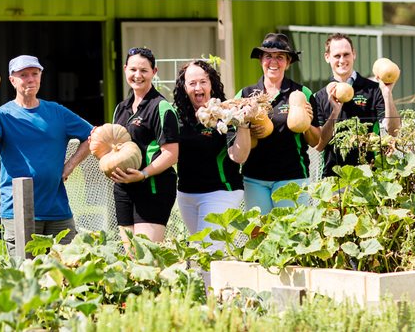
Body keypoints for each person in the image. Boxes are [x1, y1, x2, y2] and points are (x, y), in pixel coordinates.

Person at [0, 54, 93, 253]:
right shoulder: (2, 114)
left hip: (58, 210)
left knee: (67, 272)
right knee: (25, 276)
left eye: (35, 73)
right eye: (24, 75)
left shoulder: (56, 112)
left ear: (41, 76)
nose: (31, 79)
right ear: (12, 80)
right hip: (19, 211)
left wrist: (70, 165)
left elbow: (92, 136)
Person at [238, 33, 321, 214]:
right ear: (261, 60)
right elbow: (232, 134)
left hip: (292, 177)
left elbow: (316, 141)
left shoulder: (302, 93)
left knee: (291, 235)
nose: (273, 61)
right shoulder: (245, 94)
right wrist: (247, 131)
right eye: (268, 56)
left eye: (280, 57)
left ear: (288, 62)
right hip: (254, 178)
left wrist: (305, 124)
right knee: (258, 234)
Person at [173, 59, 251, 246]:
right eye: (192, 83)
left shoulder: (226, 114)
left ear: (212, 85)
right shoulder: (177, 117)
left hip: (220, 192)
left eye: (203, 82)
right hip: (186, 194)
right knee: (203, 253)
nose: (198, 87)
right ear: (184, 87)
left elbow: (238, 156)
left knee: (208, 253)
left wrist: (244, 123)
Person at [109, 47, 180, 244]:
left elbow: (171, 154)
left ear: (154, 72)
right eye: (132, 70)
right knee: (131, 255)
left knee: (147, 254)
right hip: (123, 188)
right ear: (125, 70)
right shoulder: (121, 109)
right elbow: (116, 146)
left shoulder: (160, 107)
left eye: (144, 70)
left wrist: (143, 174)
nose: (137, 75)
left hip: (153, 187)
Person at [313, 33, 400, 177]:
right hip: (335, 178)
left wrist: (387, 94)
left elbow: (394, 130)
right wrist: (335, 112)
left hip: (370, 175)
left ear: (354, 55)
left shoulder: (373, 89)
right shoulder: (320, 97)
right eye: (337, 56)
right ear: (327, 57)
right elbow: (319, 145)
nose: (342, 60)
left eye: (346, 54)